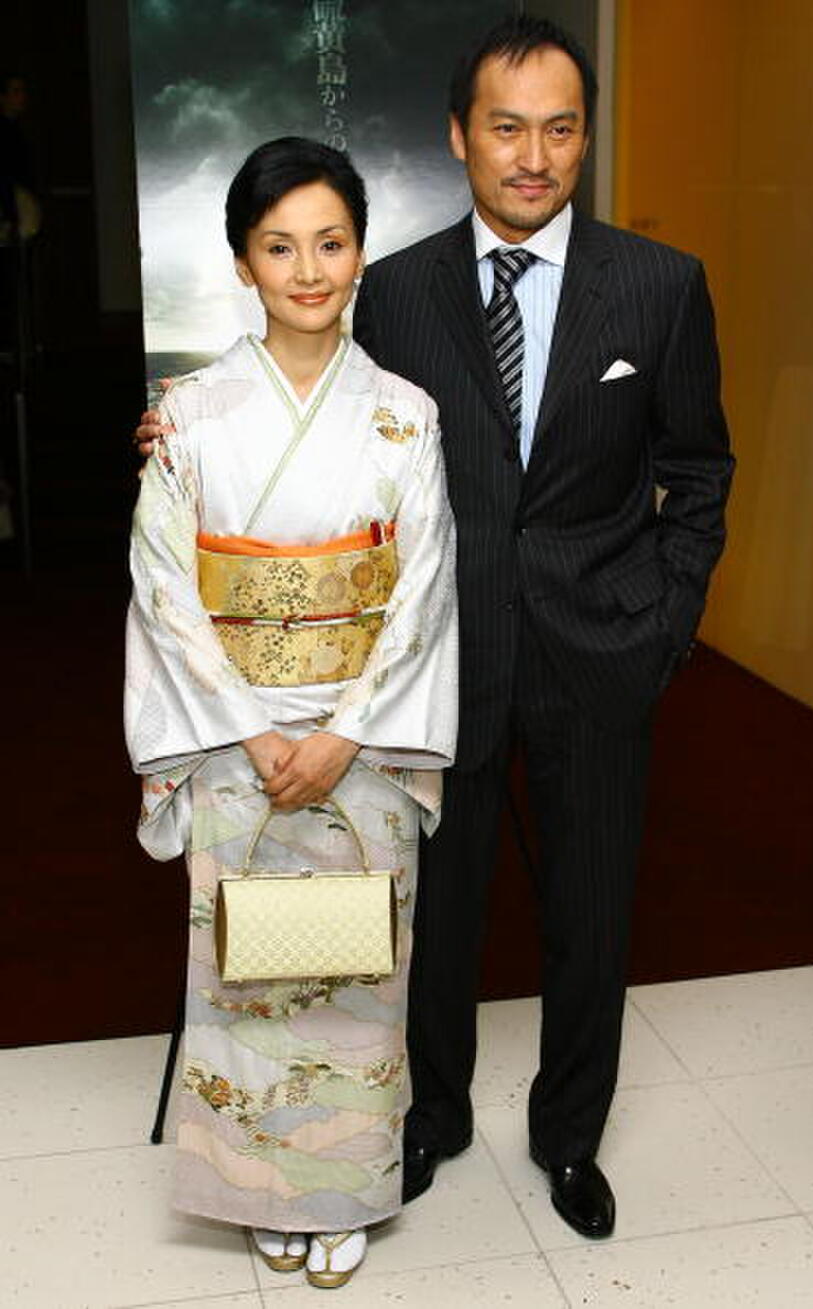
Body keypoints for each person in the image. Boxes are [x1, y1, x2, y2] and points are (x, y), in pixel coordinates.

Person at [135, 14, 734, 1241]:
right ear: (458, 134)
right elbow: (312, 412)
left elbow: (701, 470)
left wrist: (665, 623)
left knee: (590, 916)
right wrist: (171, 432)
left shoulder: (660, 287)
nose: (533, 154)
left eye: (560, 127)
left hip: (599, 653)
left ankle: (570, 1139)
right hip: (434, 666)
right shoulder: (394, 287)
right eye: (506, 126)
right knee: (434, 915)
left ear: (585, 136)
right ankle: (433, 1115)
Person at [125, 137, 457, 1288]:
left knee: (358, 975)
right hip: (235, 744)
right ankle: (260, 1183)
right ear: (241, 262)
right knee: (248, 972)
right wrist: (259, 731)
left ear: (360, 251)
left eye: (329, 242)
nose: (307, 269)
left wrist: (343, 732)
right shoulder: (194, 413)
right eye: (279, 247)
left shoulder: (404, 415)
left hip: (357, 745)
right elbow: (165, 586)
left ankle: (344, 1182)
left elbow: (422, 588)